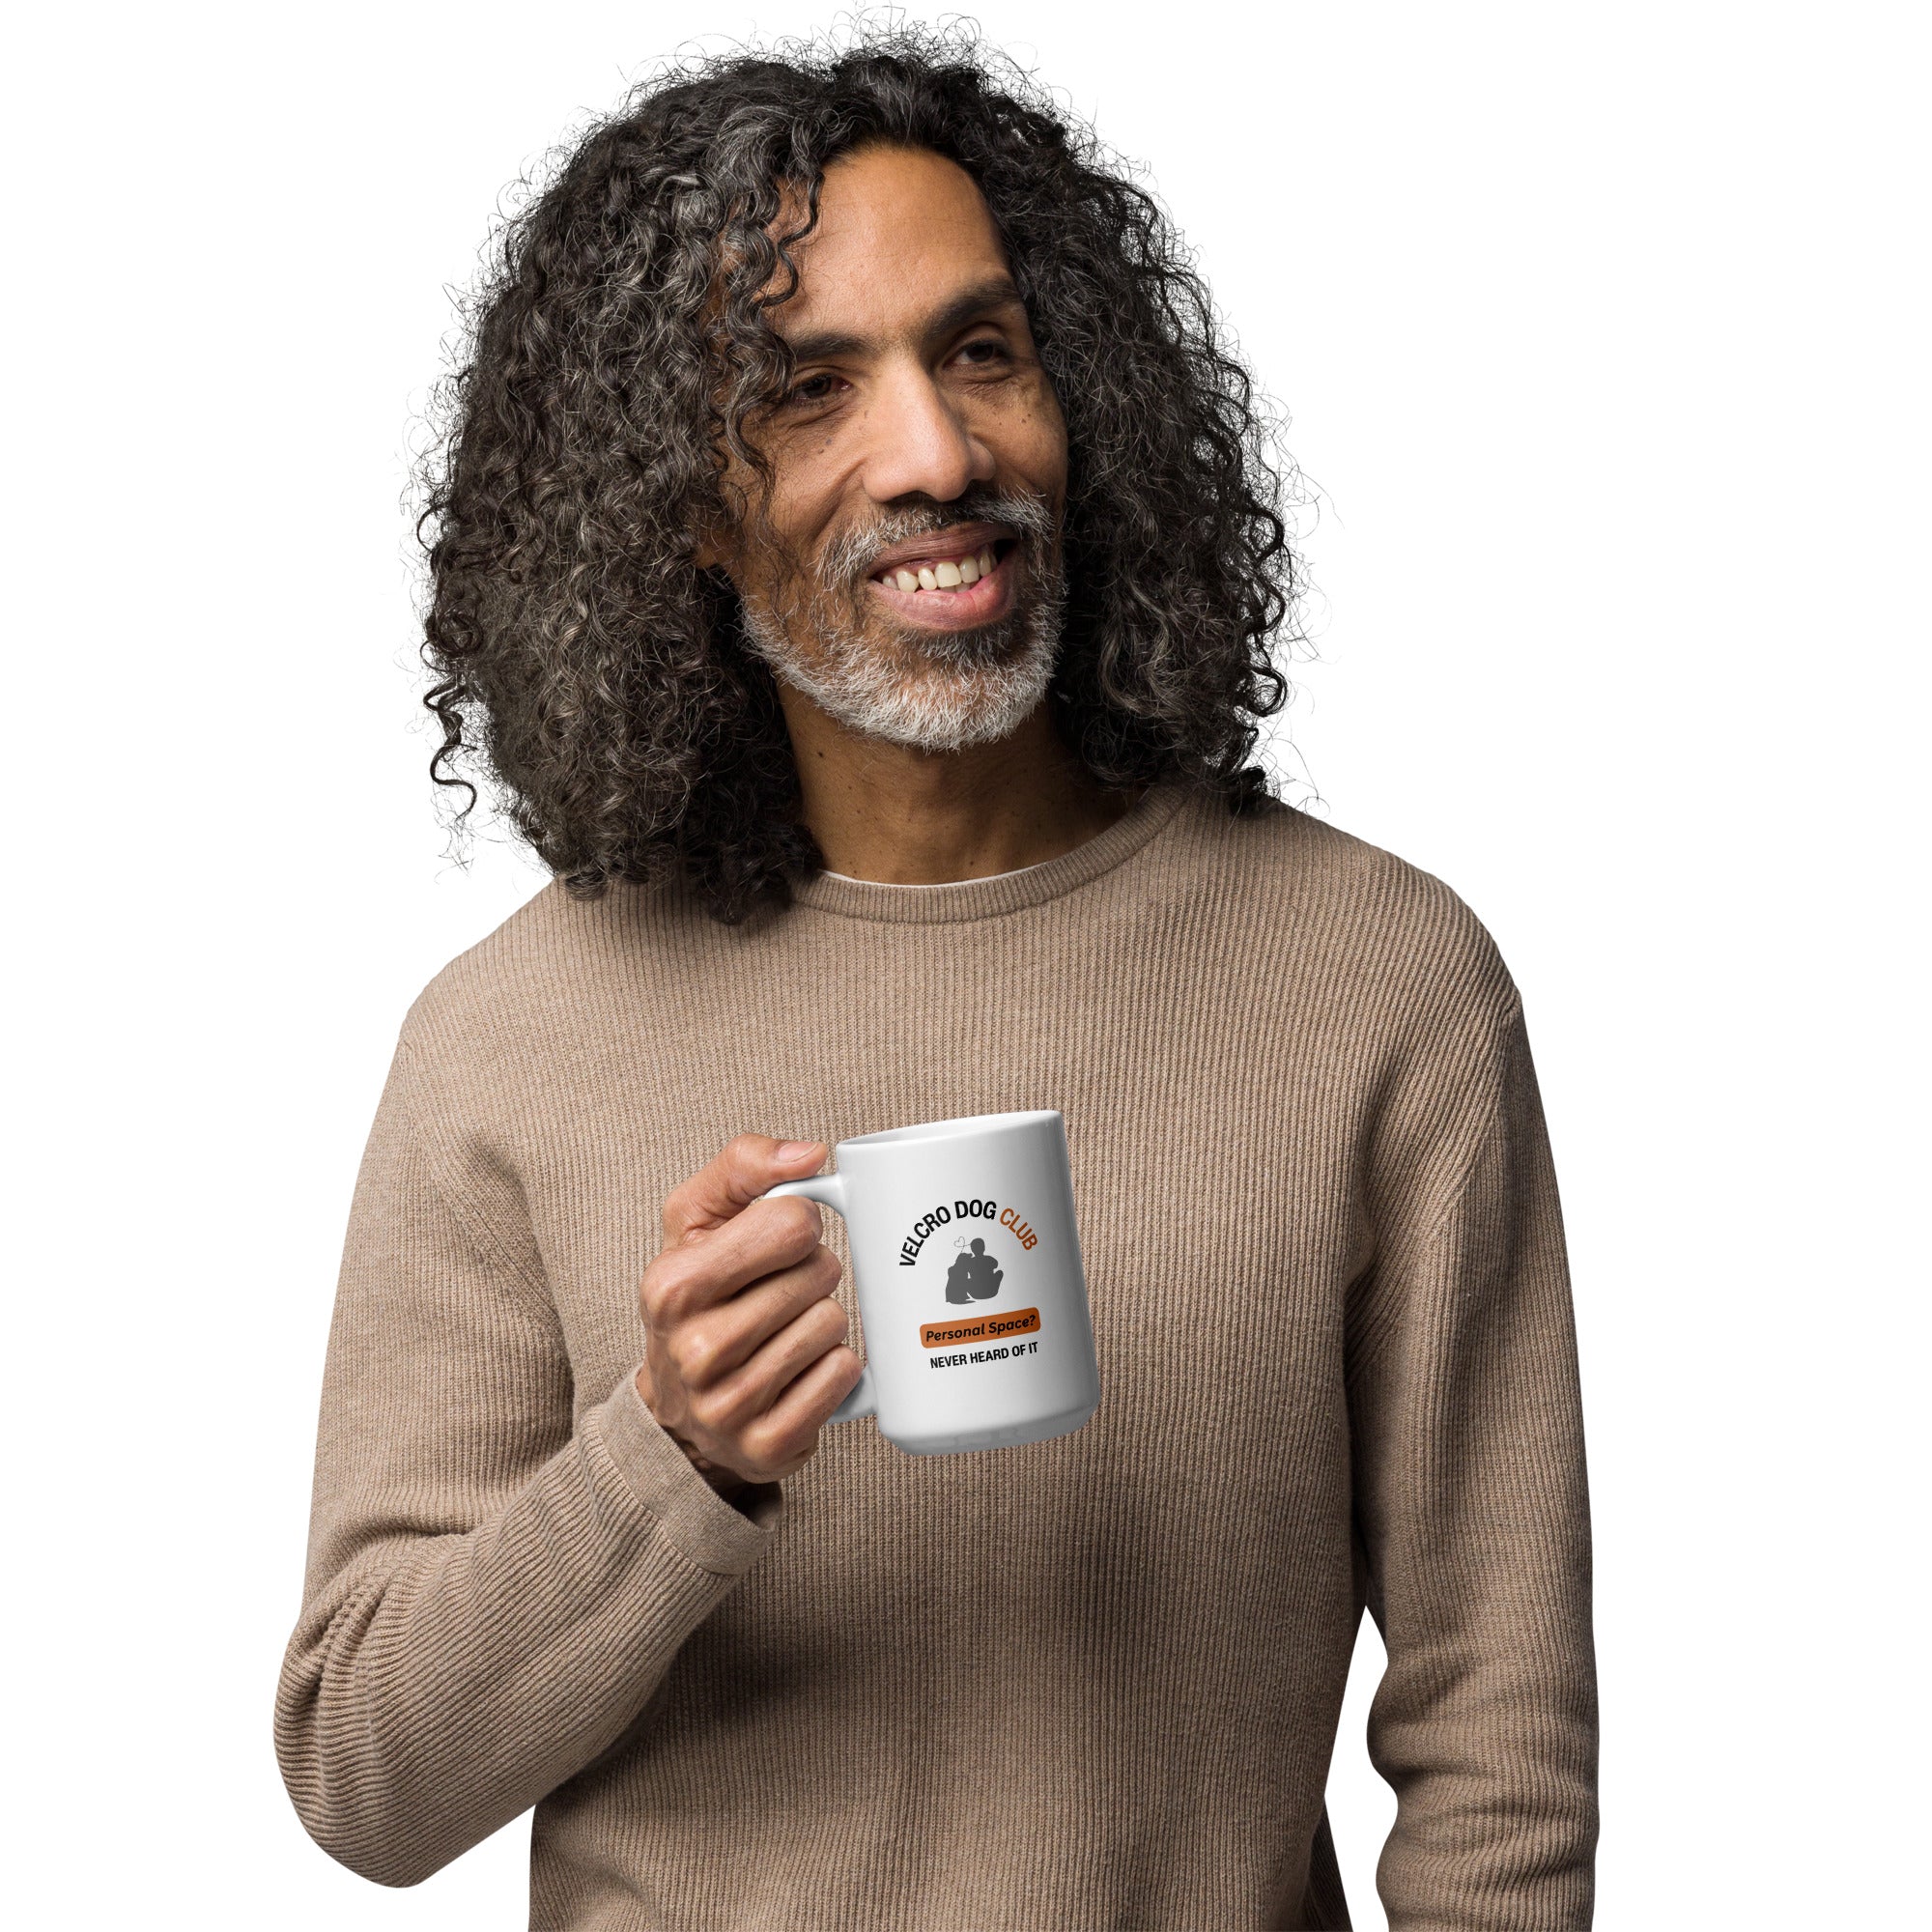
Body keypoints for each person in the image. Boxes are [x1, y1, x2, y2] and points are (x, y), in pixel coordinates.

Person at [275, 29, 1597, 1930]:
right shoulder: (507, 1046)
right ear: (679, 507)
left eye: (979, 351)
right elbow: (366, 1779)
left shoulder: (1381, 985)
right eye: (808, 390)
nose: (936, 453)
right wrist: (674, 1453)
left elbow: (1501, 1745)